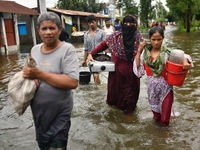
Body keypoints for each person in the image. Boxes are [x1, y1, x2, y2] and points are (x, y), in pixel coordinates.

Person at [22, 12, 79, 149]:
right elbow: (32, 74)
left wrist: (40, 74)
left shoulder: (67, 50)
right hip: (40, 113)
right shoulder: (35, 50)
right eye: (44, 28)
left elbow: (72, 82)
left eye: (52, 28)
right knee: (44, 146)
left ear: (59, 29)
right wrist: (29, 76)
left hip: (60, 113)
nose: (48, 32)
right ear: (38, 30)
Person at [133, 26, 193, 125]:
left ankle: (165, 138)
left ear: (163, 39)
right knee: (156, 119)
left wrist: (185, 62)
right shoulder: (145, 53)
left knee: (165, 121)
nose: (156, 42)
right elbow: (138, 68)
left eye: (159, 39)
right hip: (152, 91)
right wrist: (139, 50)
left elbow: (183, 56)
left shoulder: (167, 52)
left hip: (166, 89)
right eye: (153, 39)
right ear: (149, 39)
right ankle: (158, 139)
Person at [87, 14, 143, 114]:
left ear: (135, 25)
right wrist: (91, 54)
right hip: (116, 75)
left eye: (131, 24)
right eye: (126, 23)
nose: (128, 25)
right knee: (114, 103)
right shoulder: (115, 37)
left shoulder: (139, 39)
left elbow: (146, 56)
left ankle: (128, 124)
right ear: (122, 24)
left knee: (129, 103)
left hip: (131, 76)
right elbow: (103, 44)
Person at [82, 14, 106, 84]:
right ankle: (98, 89)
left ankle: (98, 90)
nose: (91, 24)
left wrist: (109, 56)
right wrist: (84, 60)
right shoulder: (86, 34)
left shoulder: (102, 33)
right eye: (90, 23)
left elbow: (105, 46)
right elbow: (86, 48)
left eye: (93, 22)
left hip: (100, 56)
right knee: (94, 74)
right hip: (90, 57)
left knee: (96, 74)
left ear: (96, 22)